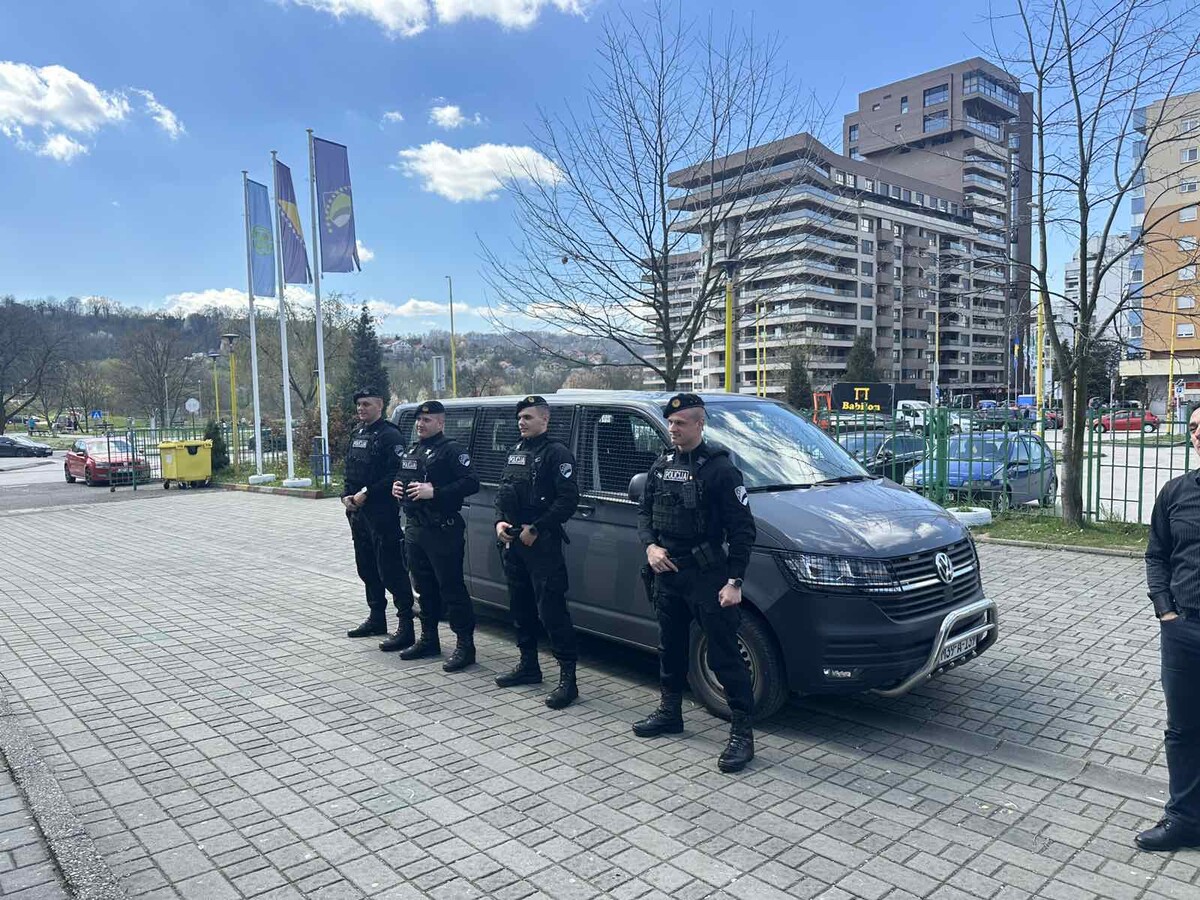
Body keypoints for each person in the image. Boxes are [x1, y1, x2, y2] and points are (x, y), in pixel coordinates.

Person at [633, 393, 757, 773]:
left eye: (681, 423)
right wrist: (651, 547)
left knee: (724, 655)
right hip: (667, 573)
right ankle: (670, 712)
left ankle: (742, 734)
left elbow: (743, 530)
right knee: (669, 647)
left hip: (707, 576)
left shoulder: (720, 470)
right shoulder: (661, 464)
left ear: (700, 424)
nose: (673, 428)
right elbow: (644, 513)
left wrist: (735, 581)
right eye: (670, 423)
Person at [1137, 403, 1200, 851]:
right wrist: (1165, 611)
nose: (1198, 434)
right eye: (1194, 426)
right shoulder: (1176, 492)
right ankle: (1185, 820)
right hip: (1184, 632)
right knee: (1183, 730)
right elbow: (1156, 554)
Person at [494, 396, 582, 709]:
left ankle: (568, 680)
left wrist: (537, 528)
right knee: (520, 608)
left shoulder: (557, 453)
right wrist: (499, 522)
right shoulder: (516, 451)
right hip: (514, 543)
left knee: (552, 612)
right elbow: (503, 493)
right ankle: (528, 666)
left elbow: (568, 500)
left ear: (545, 419)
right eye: (520, 417)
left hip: (542, 545)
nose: (522, 422)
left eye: (528, 417)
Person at [388, 400, 480, 671]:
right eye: (419, 419)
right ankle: (429, 639)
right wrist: (396, 486)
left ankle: (465, 646)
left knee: (451, 589)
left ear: (440, 423)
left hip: (443, 529)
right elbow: (402, 476)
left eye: (427, 420)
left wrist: (435, 492)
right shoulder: (413, 450)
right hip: (416, 528)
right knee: (423, 587)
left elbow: (471, 482)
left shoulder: (451, 450)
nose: (420, 424)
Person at [341, 387, 415, 639]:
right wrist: (346, 495)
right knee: (367, 568)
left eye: (367, 404)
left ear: (380, 405)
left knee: (391, 570)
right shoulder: (358, 433)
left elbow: (396, 473)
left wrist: (368, 493)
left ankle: (405, 625)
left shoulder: (390, 435)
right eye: (359, 404)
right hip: (358, 514)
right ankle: (376, 619)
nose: (361, 408)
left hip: (382, 513)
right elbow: (350, 469)